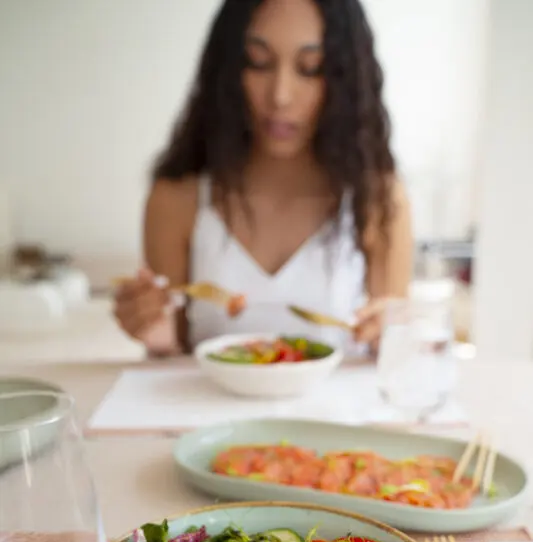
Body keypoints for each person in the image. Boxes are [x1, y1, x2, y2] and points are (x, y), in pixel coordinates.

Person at [114, 0, 413, 356]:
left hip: (333, 413)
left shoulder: (377, 198)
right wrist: (155, 333)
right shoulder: (177, 198)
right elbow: (168, 362)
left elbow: (392, 358)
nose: (280, 96)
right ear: (227, 71)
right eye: (258, 63)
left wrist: (394, 334)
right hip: (212, 411)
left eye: (310, 69)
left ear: (345, 81)